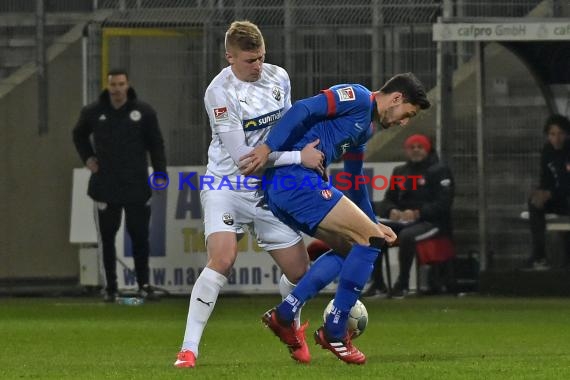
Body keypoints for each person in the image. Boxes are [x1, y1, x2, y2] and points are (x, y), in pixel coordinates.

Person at [240, 72, 430, 364]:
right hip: (294, 178)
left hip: (290, 188)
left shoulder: (365, 128)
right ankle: (335, 331)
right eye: (408, 114)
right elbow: (304, 107)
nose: (405, 122)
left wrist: (372, 221)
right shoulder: (356, 97)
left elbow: (354, 179)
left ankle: (286, 313)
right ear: (396, 99)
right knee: (369, 241)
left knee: (355, 246)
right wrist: (267, 148)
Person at [174, 21, 324, 368]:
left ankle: (289, 325)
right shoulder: (219, 93)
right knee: (222, 259)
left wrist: (301, 157)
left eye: (261, 58)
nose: (257, 66)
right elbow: (244, 160)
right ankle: (189, 349)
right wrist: (298, 158)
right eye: (249, 60)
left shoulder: (278, 77)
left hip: (269, 188)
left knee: (301, 273)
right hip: (226, 185)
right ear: (230, 57)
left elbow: (288, 128)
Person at [72, 69, 166, 302]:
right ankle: (111, 287)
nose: (116, 89)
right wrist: (88, 158)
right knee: (107, 238)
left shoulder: (143, 112)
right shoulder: (93, 112)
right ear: (108, 86)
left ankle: (143, 285)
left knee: (140, 236)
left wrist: (161, 172)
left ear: (128, 85)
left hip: (136, 185)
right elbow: (78, 135)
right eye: (113, 84)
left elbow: (156, 144)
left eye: (121, 84)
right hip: (105, 186)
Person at [372, 134, 454, 298]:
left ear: (427, 149)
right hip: (403, 221)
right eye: (412, 147)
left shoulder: (440, 170)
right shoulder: (400, 171)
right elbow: (388, 199)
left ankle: (402, 284)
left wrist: (418, 212)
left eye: (420, 147)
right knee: (374, 233)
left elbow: (443, 203)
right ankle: (378, 283)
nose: (416, 150)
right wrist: (391, 211)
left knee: (406, 236)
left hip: (431, 222)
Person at [524, 114, 570, 270]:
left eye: (560, 134)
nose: (556, 138)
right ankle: (539, 256)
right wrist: (540, 192)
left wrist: (549, 193)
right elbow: (546, 178)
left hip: (566, 198)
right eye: (552, 134)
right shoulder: (547, 151)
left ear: (567, 134)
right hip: (558, 198)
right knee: (534, 203)